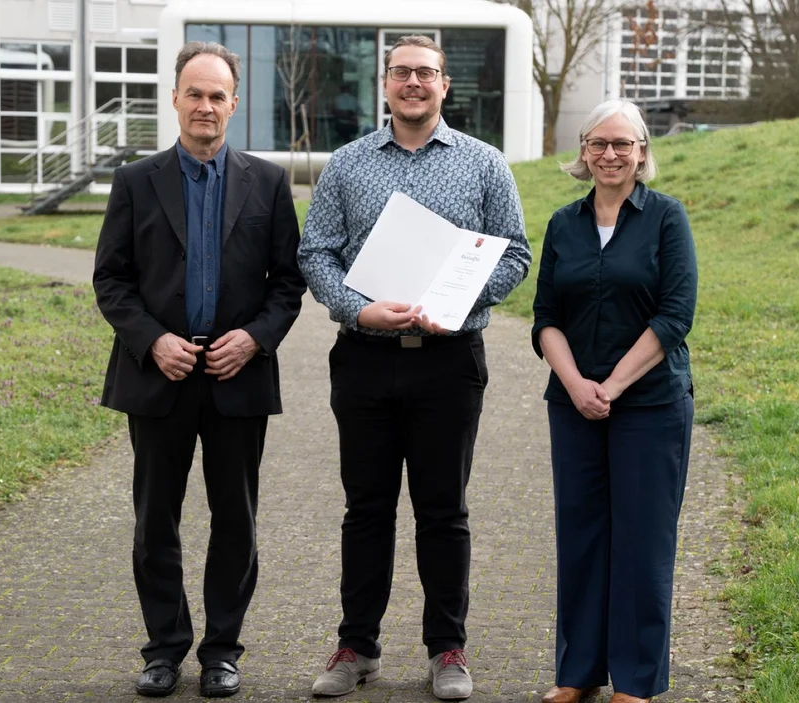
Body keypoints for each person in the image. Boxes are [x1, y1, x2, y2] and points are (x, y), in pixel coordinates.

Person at [299, 34, 532, 702]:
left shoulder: (486, 166)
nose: (413, 84)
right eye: (402, 72)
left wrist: (457, 305)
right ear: (385, 82)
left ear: (444, 85)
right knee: (365, 508)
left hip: (449, 361)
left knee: (443, 510)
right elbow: (316, 252)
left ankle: (447, 648)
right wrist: (358, 310)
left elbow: (515, 254)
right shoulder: (346, 166)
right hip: (366, 360)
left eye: (425, 73)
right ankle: (357, 647)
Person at [92, 41, 305, 698]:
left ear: (234, 105)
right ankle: (163, 647)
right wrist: (153, 340)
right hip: (159, 379)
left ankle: (222, 649)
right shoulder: (135, 181)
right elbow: (112, 280)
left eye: (218, 95)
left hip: (238, 378)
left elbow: (288, 285)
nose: (206, 106)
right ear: (176, 98)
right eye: (195, 93)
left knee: (234, 518)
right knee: (155, 518)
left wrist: (256, 339)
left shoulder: (267, 183)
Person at [530, 99, 697, 703]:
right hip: (572, 403)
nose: (610, 154)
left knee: (642, 541)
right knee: (581, 536)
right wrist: (576, 384)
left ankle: (634, 680)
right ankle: (577, 674)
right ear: (583, 151)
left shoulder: (666, 219)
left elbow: (676, 315)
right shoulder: (563, 224)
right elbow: (545, 316)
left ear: (642, 152)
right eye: (599, 143)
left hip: (650, 405)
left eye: (622, 144)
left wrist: (615, 386)